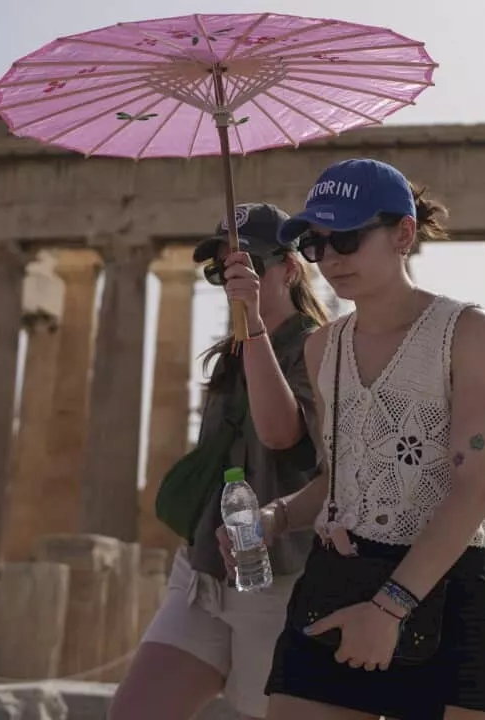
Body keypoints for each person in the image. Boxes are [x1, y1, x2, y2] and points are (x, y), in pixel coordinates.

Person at [258, 158, 485, 719]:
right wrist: (275, 517)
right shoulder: (322, 348)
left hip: (442, 588)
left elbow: (474, 489)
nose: (331, 259)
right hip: (338, 579)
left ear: (403, 233)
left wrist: (390, 608)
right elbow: (339, 479)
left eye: (346, 237)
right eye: (317, 244)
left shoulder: (466, 332)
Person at [110, 204, 328, 720]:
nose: (232, 279)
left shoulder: (318, 347)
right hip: (203, 572)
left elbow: (281, 435)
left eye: (247, 265)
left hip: (279, 580)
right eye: (222, 269)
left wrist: (252, 320)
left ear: (289, 269)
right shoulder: (228, 355)